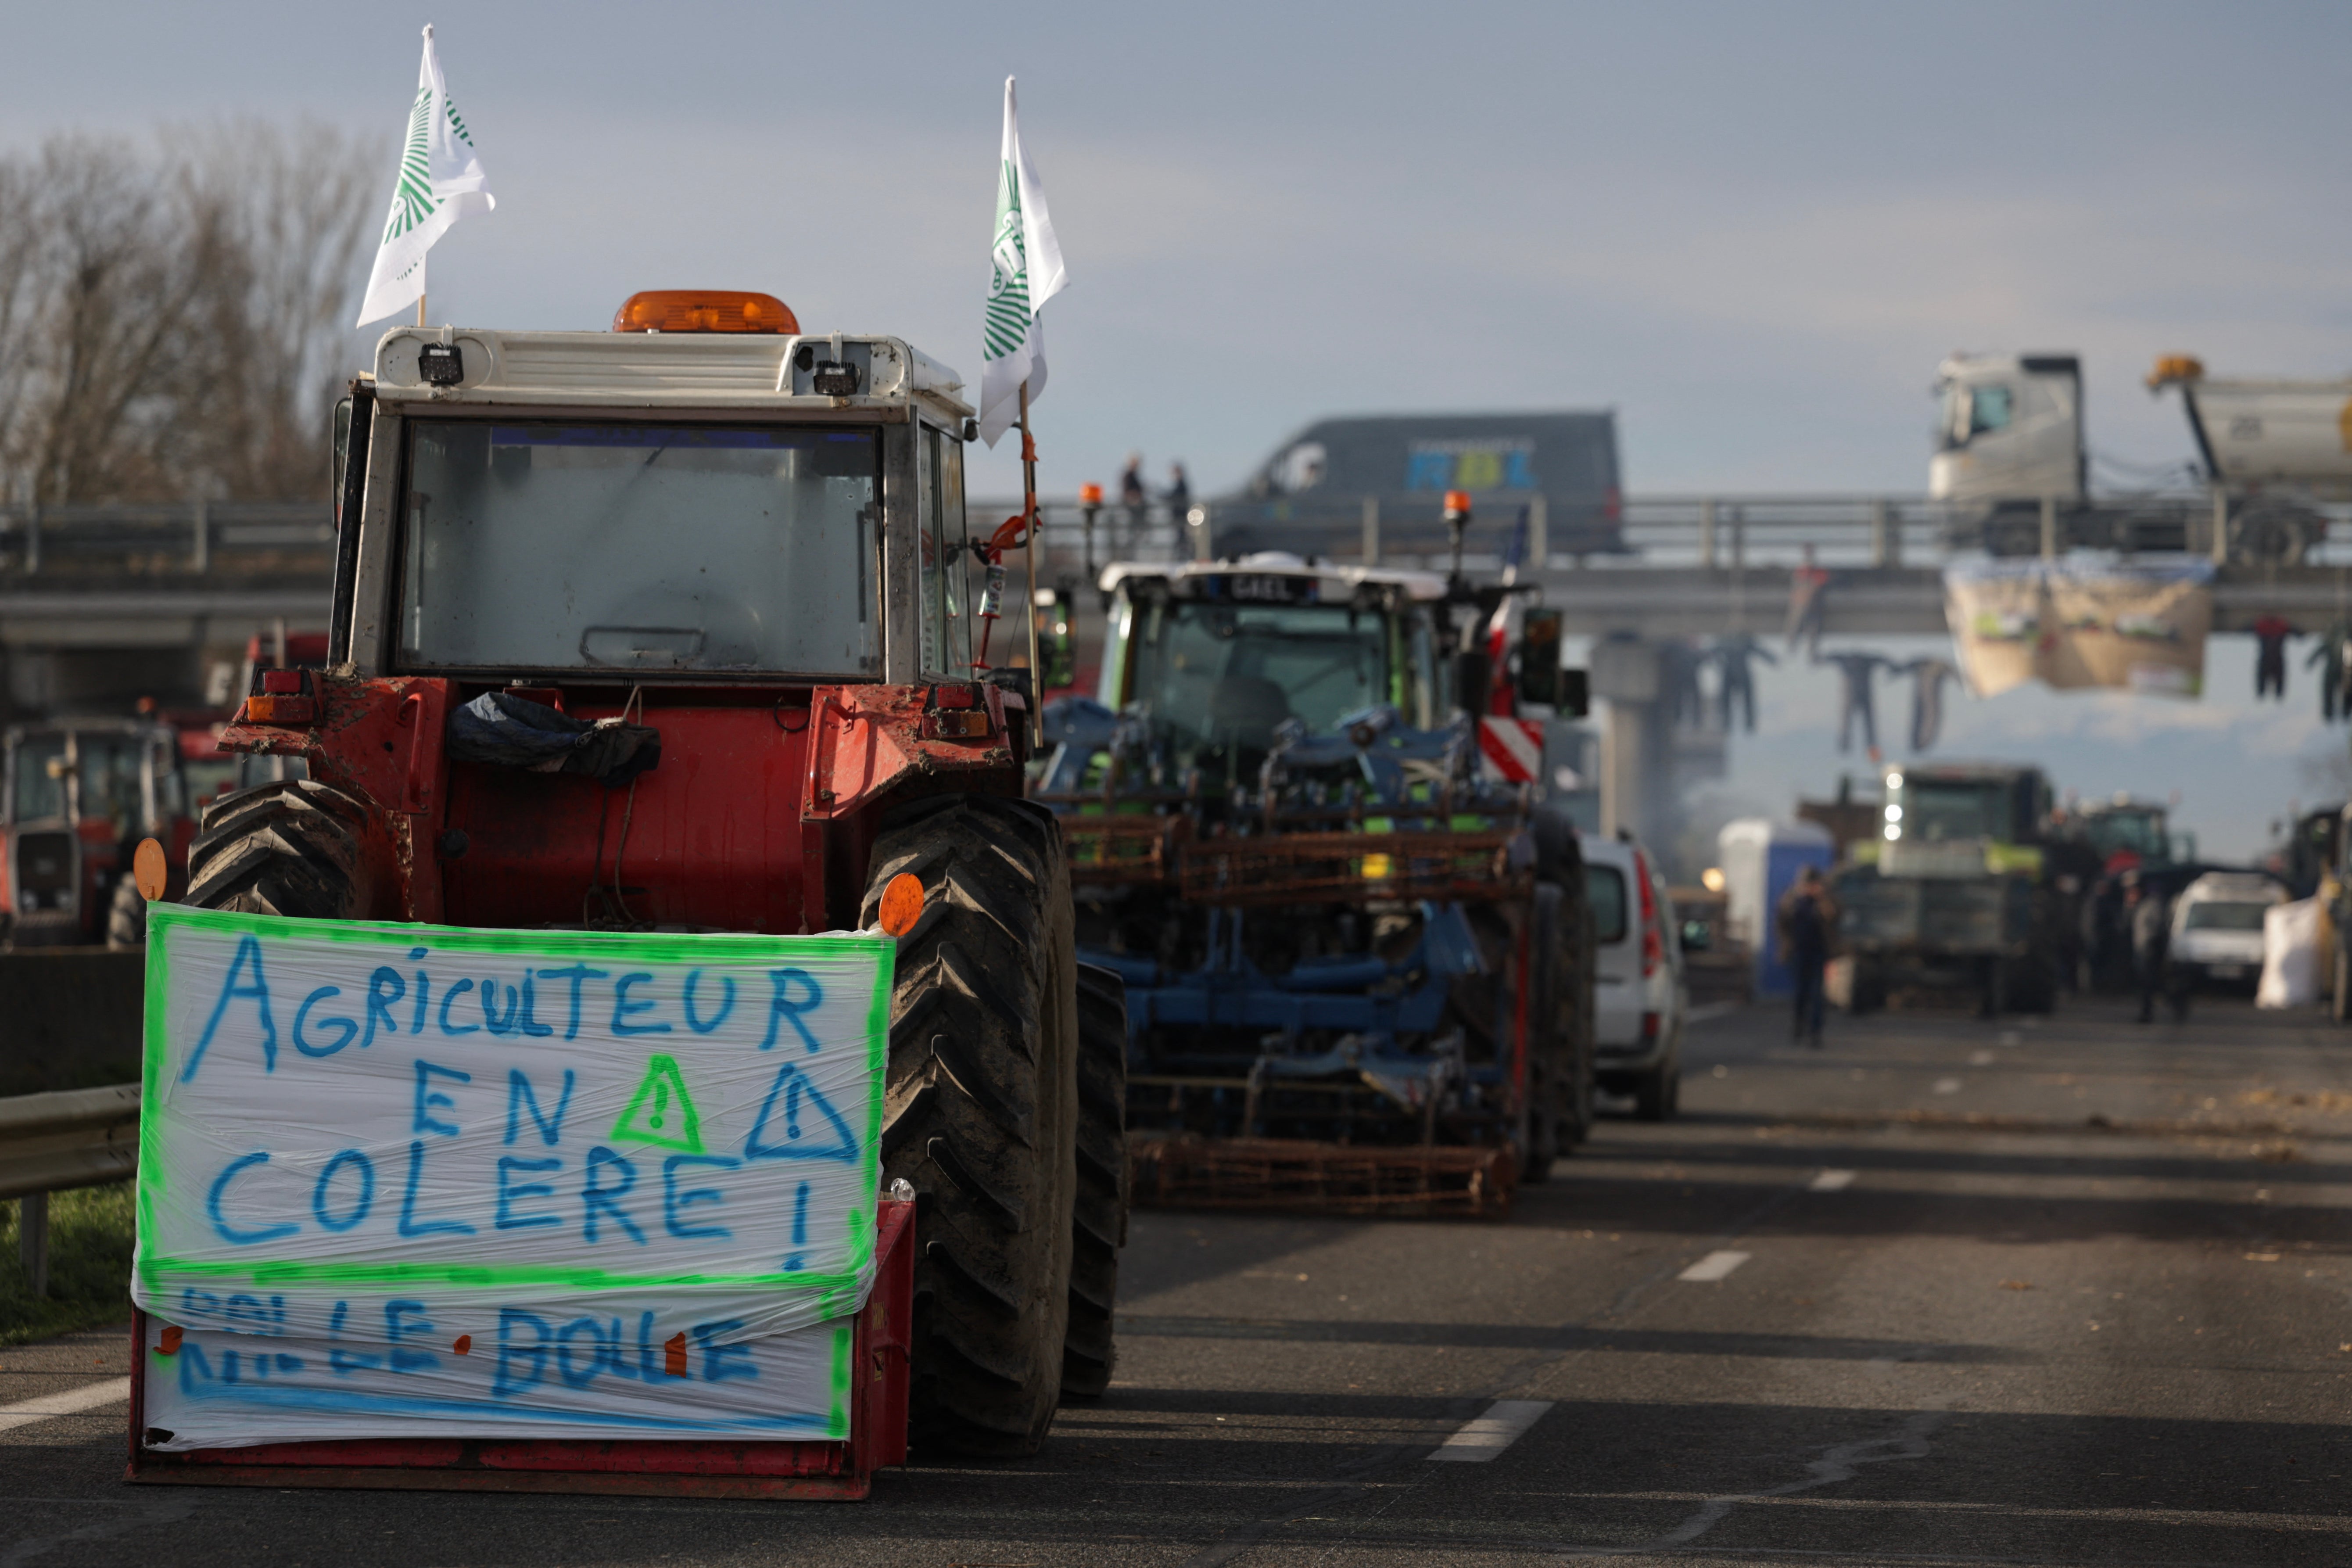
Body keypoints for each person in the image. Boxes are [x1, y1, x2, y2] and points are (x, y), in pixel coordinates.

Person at [1777, 865, 1836, 1048]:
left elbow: (1834, 917)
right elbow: (1782, 922)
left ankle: (1815, 1032)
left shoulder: (1824, 901)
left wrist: (1821, 899)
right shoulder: (1792, 900)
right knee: (1801, 993)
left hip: (1819, 952)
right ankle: (1799, 1025)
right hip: (1798, 952)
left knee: (1817, 995)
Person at [2126, 873, 2173, 1023]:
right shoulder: (2139, 906)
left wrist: (2152, 946)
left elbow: (2157, 928)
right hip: (2141, 950)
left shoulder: (2152, 905)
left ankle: (2150, 1012)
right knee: (2147, 984)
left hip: (2149, 950)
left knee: (2150, 984)